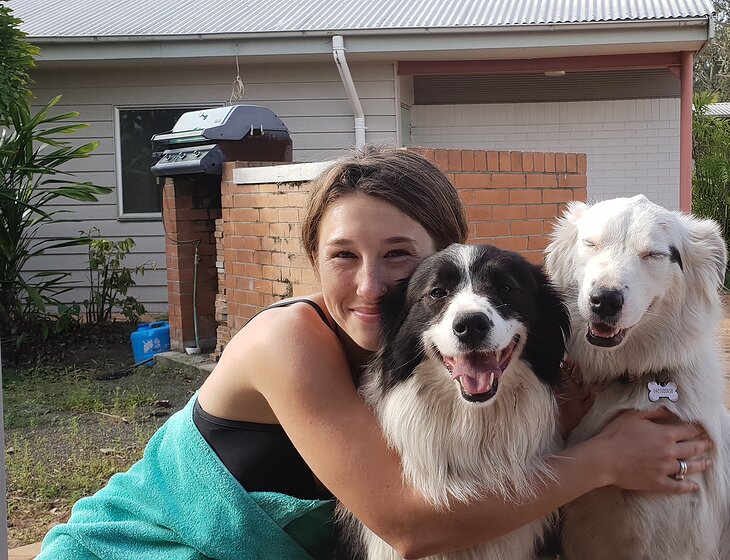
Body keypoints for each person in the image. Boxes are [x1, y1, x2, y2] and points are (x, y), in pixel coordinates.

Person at [37, 146, 712, 560]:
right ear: (312, 259)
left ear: (442, 260)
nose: (370, 286)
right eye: (343, 256)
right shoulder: (286, 342)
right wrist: (603, 460)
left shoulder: (440, 353)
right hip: (141, 549)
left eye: (398, 256)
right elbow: (409, 526)